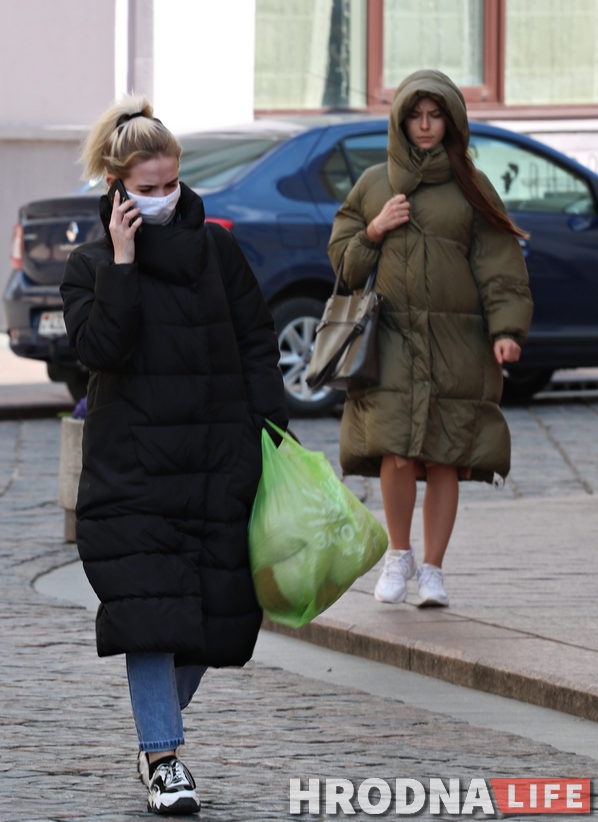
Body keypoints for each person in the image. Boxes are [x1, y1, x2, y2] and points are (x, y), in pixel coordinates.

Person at [61, 96, 288, 816]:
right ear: (116, 184)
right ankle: (164, 757)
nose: (161, 199)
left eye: (170, 184)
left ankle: (158, 733)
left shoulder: (218, 250)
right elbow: (97, 354)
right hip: (133, 470)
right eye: (146, 188)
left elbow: (257, 340)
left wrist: (270, 430)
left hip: (220, 459)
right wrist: (123, 265)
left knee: (215, 618)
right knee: (150, 615)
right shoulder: (91, 263)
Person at [328, 70, 533, 608]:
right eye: (415, 116)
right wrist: (374, 229)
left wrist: (507, 329)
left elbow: (500, 265)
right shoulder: (375, 183)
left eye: (434, 115)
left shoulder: (471, 185)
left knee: (446, 455)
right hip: (390, 339)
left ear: (451, 121)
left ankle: (434, 569)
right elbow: (345, 266)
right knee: (395, 450)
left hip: (455, 340)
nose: (424, 125)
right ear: (400, 120)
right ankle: (399, 554)